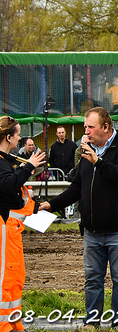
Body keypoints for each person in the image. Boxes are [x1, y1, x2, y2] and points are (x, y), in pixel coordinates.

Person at [40, 107, 118, 329]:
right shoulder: (87, 152)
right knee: (92, 280)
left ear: (105, 127)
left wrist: (98, 162)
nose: (86, 132)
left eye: (90, 127)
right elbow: (77, 187)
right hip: (92, 231)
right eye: (85, 127)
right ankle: (92, 321)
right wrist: (51, 204)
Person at [0, 116, 46, 332]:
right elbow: (8, 186)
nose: (19, 139)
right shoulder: (1, 163)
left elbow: (14, 196)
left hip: (12, 230)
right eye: (17, 135)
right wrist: (28, 167)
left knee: (16, 276)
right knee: (6, 277)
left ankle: (14, 323)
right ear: (8, 137)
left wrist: (37, 208)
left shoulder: (5, 160)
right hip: (4, 229)